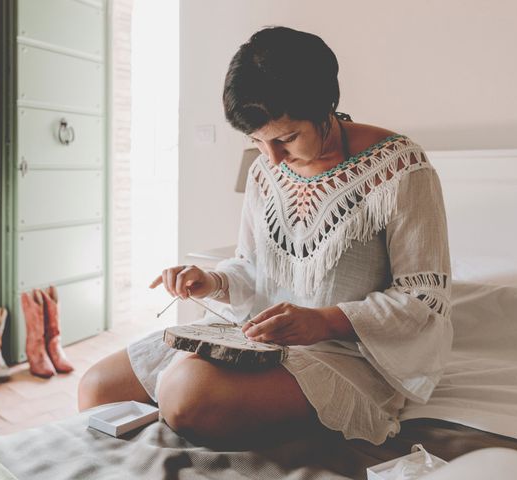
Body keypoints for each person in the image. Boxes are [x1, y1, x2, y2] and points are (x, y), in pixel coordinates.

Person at [78, 26, 452, 446]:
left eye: (287, 137)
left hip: (343, 355)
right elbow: (253, 267)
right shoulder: (265, 171)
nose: (271, 157)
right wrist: (213, 281)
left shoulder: (400, 168)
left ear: (325, 105)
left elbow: (423, 299)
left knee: (184, 394)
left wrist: (323, 320)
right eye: (256, 141)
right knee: (97, 387)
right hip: (256, 339)